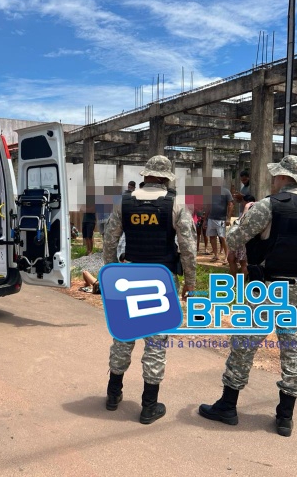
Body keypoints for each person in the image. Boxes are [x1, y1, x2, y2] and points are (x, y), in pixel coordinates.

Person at [198, 155, 297, 437]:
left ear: (283, 177)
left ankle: (227, 406)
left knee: (244, 345)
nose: (273, 180)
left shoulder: (268, 206)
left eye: (276, 176)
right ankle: (285, 417)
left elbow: (233, 239)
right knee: (293, 351)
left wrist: (242, 218)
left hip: (266, 289)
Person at [103, 155, 197, 425]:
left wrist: (111, 272)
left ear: (145, 175)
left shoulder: (124, 201)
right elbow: (188, 248)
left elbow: (109, 241)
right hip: (161, 279)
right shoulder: (175, 203)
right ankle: (149, 406)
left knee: (123, 336)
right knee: (155, 343)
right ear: (167, 177)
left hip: (129, 275)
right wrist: (190, 282)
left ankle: (113, 394)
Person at [205, 177, 233, 263]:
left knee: (222, 237)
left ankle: (226, 256)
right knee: (212, 237)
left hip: (221, 219)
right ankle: (216, 255)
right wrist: (205, 219)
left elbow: (230, 205)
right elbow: (208, 206)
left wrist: (228, 218)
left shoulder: (226, 192)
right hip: (211, 218)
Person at [226, 194, 256, 277]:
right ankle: (235, 281)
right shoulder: (245, 210)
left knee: (243, 262)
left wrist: (246, 209)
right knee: (231, 259)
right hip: (236, 239)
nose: (242, 203)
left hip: (244, 240)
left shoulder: (252, 211)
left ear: (247, 202)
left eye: (243, 201)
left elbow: (242, 222)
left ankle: (241, 283)